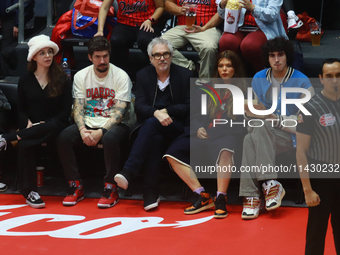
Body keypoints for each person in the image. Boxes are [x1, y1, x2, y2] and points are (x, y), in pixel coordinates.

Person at [164, 50, 247, 218]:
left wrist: (213, 132)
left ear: (235, 69)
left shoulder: (244, 90)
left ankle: (221, 198)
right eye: (221, 66)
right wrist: (197, 128)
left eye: (228, 66)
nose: (224, 69)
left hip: (227, 134)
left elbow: (240, 124)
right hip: (203, 134)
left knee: (226, 148)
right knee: (171, 154)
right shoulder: (206, 89)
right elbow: (194, 114)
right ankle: (202, 195)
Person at [239, 37, 314, 220]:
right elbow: (252, 112)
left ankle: (253, 195)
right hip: (263, 133)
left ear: (287, 56)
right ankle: (270, 185)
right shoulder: (259, 78)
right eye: (272, 56)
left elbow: (307, 124)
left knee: (252, 137)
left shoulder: (302, 81)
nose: (276, 59)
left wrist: (275, 119)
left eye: (280, 55)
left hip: (292, 137)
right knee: (252, 134)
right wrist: (249, 111)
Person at [114, 37, 192, 211]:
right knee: (153, 136)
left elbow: (189, 105)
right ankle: (150, 193)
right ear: (150, 59)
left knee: (151, 125)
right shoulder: (143, 75)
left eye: (165, 54)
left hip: (177, 127)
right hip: (151, 128)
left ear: (171, 56)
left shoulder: (185, 75)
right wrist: (156, 113)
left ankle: (129, 171)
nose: (162, 58)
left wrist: (167, 112)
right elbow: (140, 105)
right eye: (157, 55)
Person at [57, 36, 134, 208]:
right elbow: (77, 108)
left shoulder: (121, 76)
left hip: (116, 124)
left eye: (105, 56)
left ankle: (110, 187)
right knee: (64, 137)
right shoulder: (81, 76)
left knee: (110, 138)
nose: (102, 60)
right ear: (90, 57)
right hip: (89, 122)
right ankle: (74, 185)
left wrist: (101, 131)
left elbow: (121, 113)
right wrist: (83, 129)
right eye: (98, 57)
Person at [0, 34, 72, 208]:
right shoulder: (25, 80)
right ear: (33, 57)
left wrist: (42, 125)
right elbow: (21, 109)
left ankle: (6, 138)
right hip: (32, 127)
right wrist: (27, 122)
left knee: (51, 125)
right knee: (25, 144)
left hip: (56, 125)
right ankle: (29, 192)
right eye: (42, 53)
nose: (47, 56)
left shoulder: (62, 78)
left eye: (49, 52)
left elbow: (64, 112)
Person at [296, 58, 340, 255]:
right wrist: (307, 190)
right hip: (321, 178)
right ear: (321, 79)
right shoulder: (308, 108)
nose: (334, 80)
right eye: (329, 76)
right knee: (316, 232)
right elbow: (301, 152)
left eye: (338, 75)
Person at [216, 0, 288, 73]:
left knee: (250, 45)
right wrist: (222, 5)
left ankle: (263, 74)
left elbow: (273, 15)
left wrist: (252, 8)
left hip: (264, 28)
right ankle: (235, 77)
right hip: (238, 26)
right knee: (226, 42)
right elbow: (222, 16)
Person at [94, 0, 164, 70]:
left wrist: (150, 20)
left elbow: (161, 7)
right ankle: (120, 73)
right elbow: (104, 8)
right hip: (124, 23)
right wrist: (100, 30)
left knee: (145, 41)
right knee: (116, 40)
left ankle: (154, 70)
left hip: (147, 23)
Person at [161, 0, 221, 79]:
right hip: (182, 26)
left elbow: (221, 12)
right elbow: (168, 3)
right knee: (159, 46)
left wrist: (204, 28)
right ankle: (190, 68)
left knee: (209, 48)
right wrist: (179, 9)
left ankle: (205, 84)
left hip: (206, 27)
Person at [0, 0, 35, 77]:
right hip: (4, 16)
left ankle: (6, 77)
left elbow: (26, 3)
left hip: (14, 17)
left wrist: (18, 23)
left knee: (7, 50)